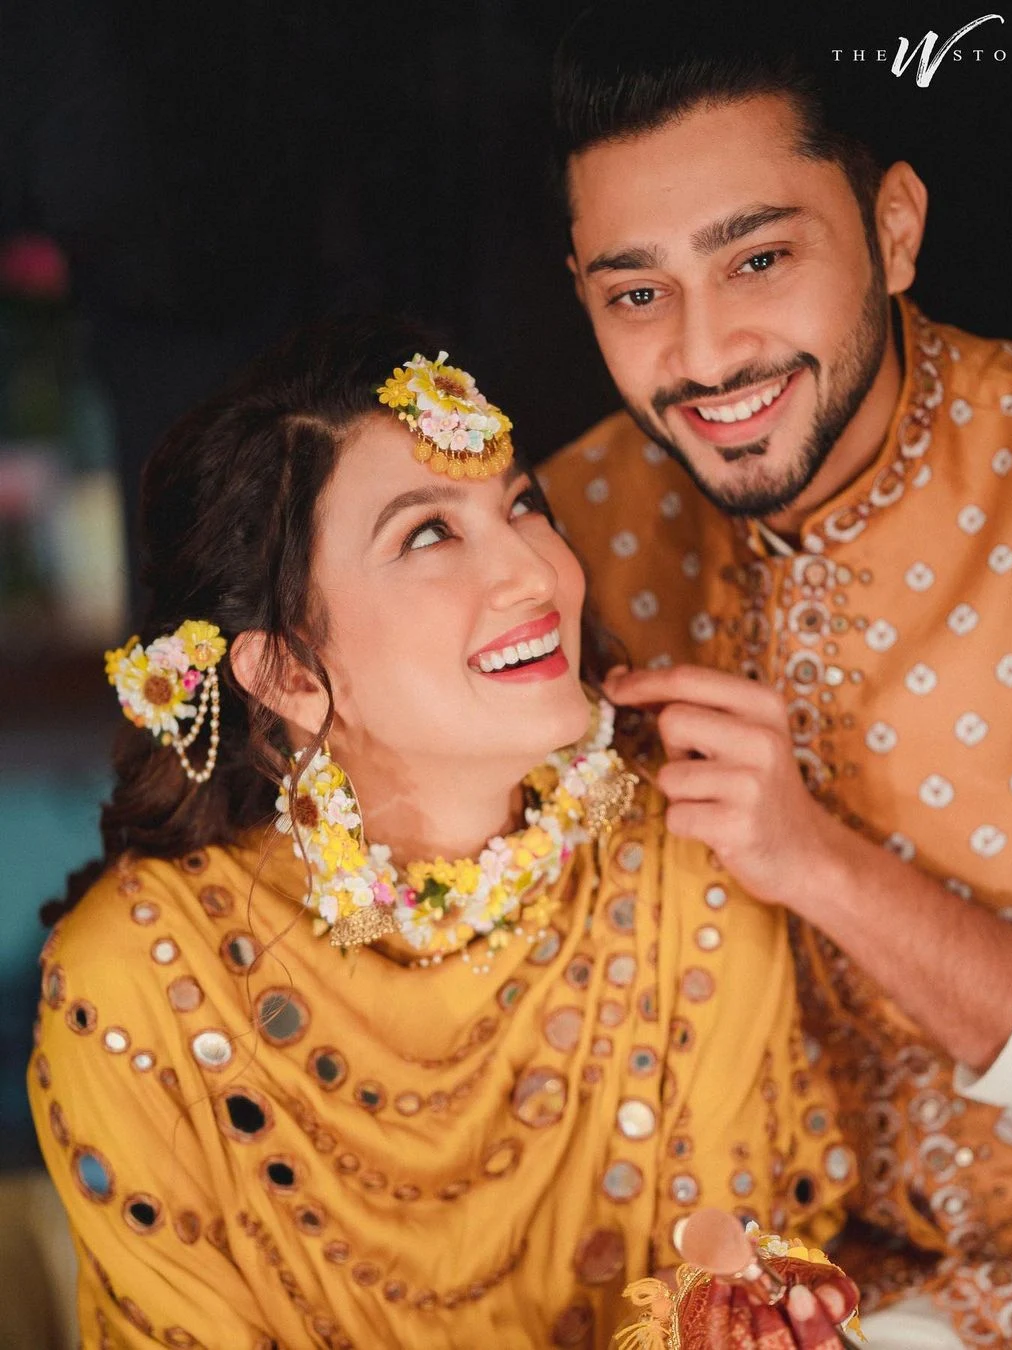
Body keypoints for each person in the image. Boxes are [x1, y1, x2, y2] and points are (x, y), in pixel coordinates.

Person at [28, 316, 858, 1349]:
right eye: (428, 534)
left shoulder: (680, 853)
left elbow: (739, 1262)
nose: (536, 572)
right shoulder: (144, 979)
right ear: (288, 674)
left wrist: (758, 1322)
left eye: (522, 506)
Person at [540, 4, 1012, 1347]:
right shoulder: (563, 539)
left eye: (760, 258)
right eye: (637, 293)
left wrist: (817, 862)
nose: (705, 354)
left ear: (894, 228)